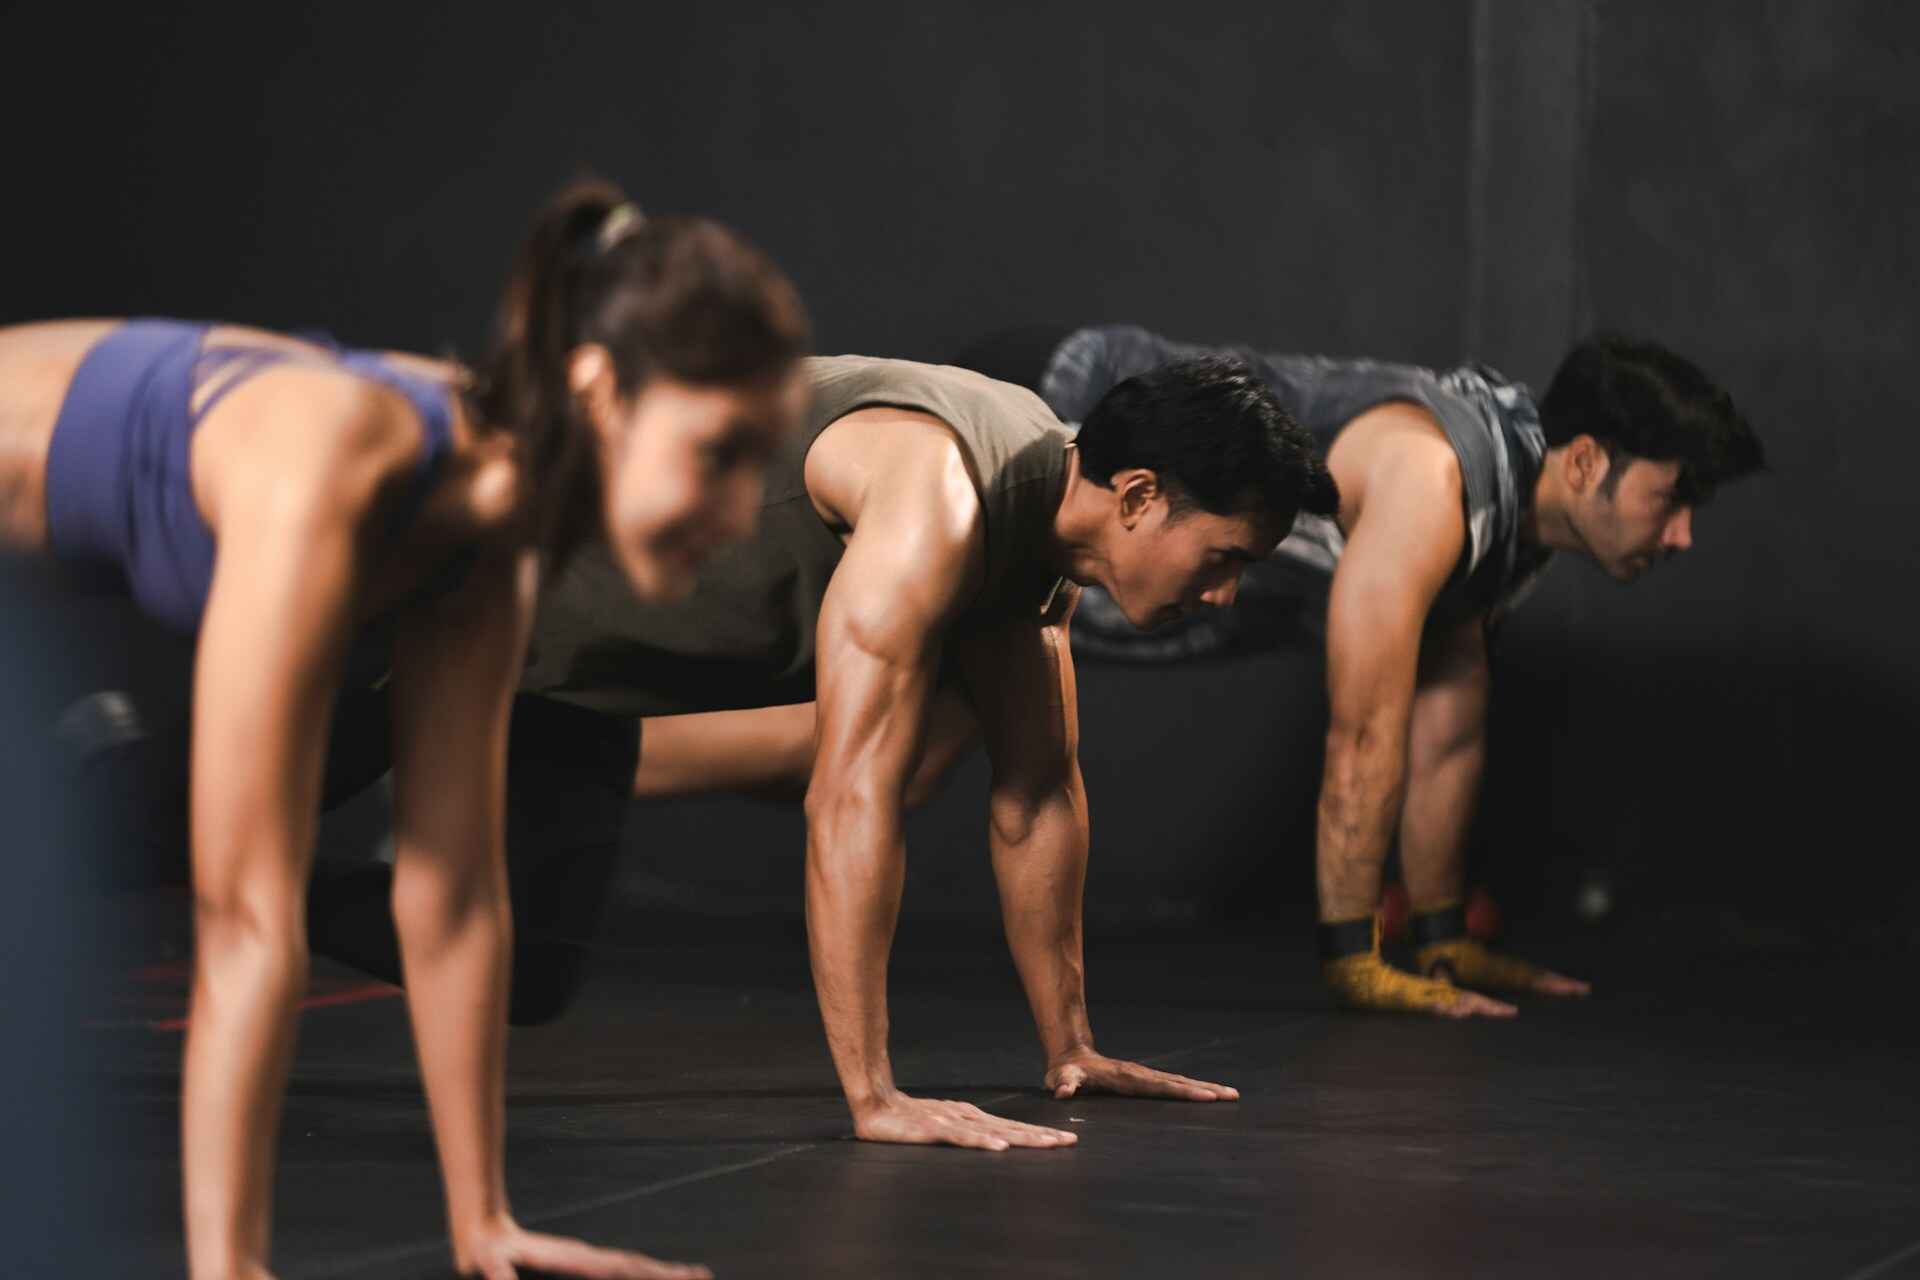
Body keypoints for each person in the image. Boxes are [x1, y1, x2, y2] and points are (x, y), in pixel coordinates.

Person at [0, 177, 809, 1279]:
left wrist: (484, 1222)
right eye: (718, 452)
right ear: (598, 390)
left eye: (758, 463)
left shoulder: (489, 542)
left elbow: (453, 892)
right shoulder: (340, 460)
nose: (735, 513)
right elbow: (243, 912)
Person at [312, 351, 1339, 1151]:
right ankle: (222, 847)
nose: (1225, 595)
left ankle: (268, 878)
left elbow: (1037, 794)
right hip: (435, 588)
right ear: (1139, 496)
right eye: (1225, 559)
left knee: (531, 969)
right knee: (179, 814)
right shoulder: (939, 498)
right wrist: (875, 1093)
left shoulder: (1039, 542)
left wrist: (1070, 1045)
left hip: (569, 674)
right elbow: (850, 795)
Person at [1028, 324, 1767, 1017]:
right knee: (942, 711)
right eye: (1671, 499)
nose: (1682, 535)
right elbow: (1363, 732)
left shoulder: (1508, 521)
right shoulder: (1435, 476)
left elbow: (1447, 735)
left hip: (1148, 575)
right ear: (1583, 462)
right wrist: (1355, 960)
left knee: (986, 690)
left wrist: (1442, 940)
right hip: (1062, 417)